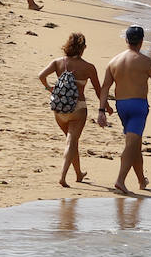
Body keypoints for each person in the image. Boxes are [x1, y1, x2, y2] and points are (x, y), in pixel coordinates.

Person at [98, 26, 151, 195]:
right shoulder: (145, 61)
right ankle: (120, 180)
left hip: (121, 106)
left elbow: (104, 88)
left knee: (135, 143)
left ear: (126, 40)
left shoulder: (114, 61)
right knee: (131, 145)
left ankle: (141, 180)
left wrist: (101, 110)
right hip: (138, 107)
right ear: (141, 41)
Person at [37, 32, 104, 188]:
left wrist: (49, 88)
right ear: (83, 48)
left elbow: (41, 75)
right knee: (71, 141)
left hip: (59, 108)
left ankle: (79, 173)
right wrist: (105, 107)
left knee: (72, 142)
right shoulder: (88, 67)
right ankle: (62, 176)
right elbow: (98, 90)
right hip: (78, 108)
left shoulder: (57, 62)